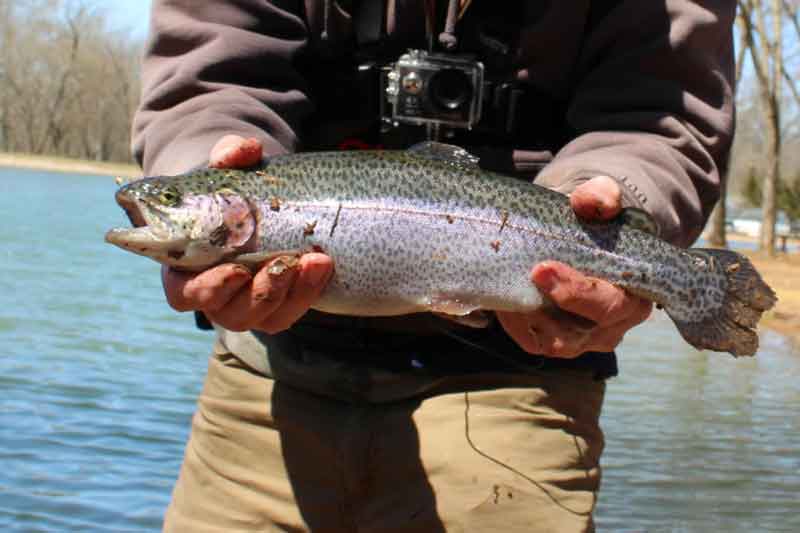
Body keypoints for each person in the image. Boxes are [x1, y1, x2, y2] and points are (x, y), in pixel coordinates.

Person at [132, 1, 735, 531]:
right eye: (173, 202)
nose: (154, 208)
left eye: (171, 202)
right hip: (267, 380)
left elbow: (662, 110)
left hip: (517, 378)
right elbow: (211, 75)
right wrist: (202, 152)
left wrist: (619, 192)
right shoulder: (244, 212)